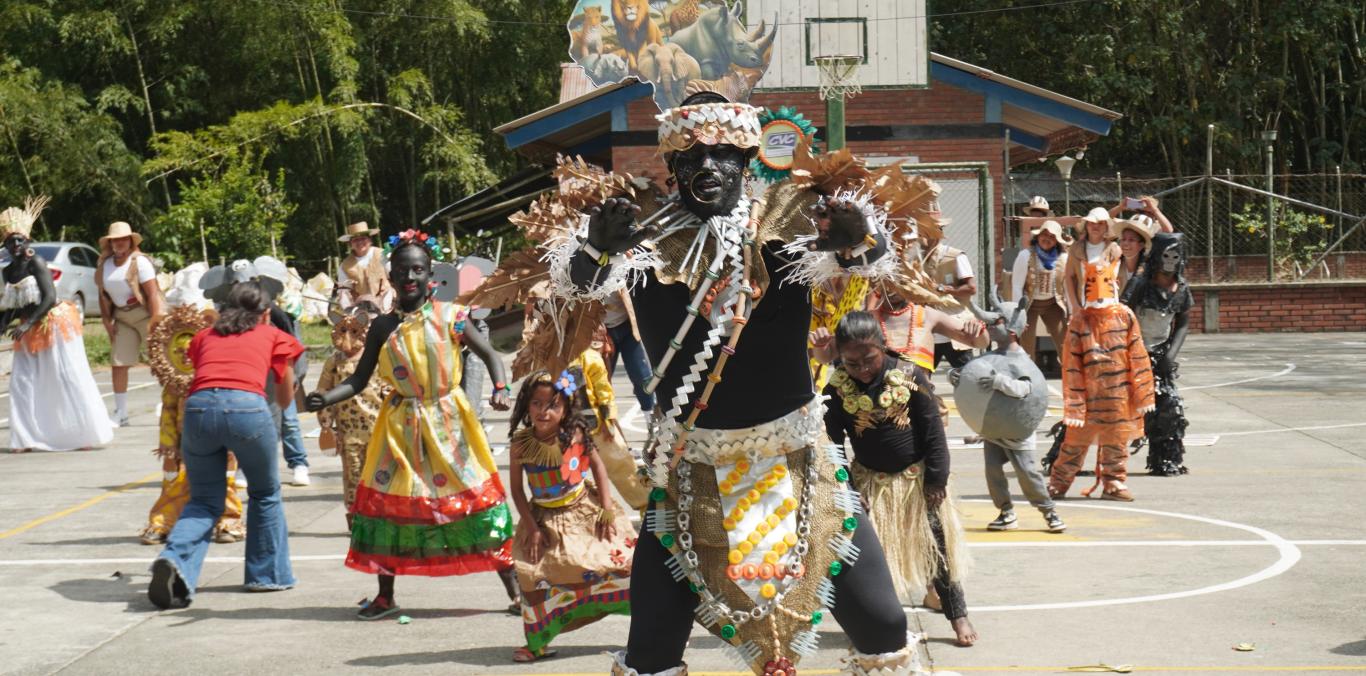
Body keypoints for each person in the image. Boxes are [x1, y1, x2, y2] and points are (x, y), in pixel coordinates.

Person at [479, 90, 932, 675]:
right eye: (691, 158)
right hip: (690, 477)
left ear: (746, 160)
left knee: (883, 624)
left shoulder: (790, 224)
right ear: (671, 166)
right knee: (650, 651)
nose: (707, 167)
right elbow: (573, 291)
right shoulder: (640, 236)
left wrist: (858, 239)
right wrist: (593, 249)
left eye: (722, 155)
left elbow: (869, 263)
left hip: (800, 468)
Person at [305, 230, 519, 621]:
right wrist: (326, 397)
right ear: (390, 276)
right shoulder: (383, 327)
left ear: (430, 274)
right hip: (399, 428)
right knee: (388, 509)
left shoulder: (452, 317)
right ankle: (385, 597)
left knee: (477, 501)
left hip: (450, 425)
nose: (410, 277)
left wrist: (501, 388)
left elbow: (491, 354)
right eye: (403, 270)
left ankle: (516, 590)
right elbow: (359, 379)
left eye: (418, 270)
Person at [822, 312, 976, 648]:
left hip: (918, 483)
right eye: (851, 363)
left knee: (938, 551)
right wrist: (848, 490)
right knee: (869, 559)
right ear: (840, 357)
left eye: (869, 359)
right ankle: (878, 625)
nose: (862, 369)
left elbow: (933, 432)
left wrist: (936, 480)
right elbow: (831, 445)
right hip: (870, 486)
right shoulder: (836, 389)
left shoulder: (910, 376)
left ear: (883, 347)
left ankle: (958, 615)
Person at [148, 281, 302, 609]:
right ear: (265, 314)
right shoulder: (275, 335)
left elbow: (204, 371)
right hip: (248, 409)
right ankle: (267, 575)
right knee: (265, 493)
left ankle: (174, 557)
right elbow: (285, 398)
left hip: (198, 410)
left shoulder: (204, 336)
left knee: (204, 500)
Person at [507, 369, 635, 662]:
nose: (544, 411)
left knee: (622, 565)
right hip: (544, 520)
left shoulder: (576, 434)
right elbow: (516, 490)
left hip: (583, 511)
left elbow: (598, 467)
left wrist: (606, 508)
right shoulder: (520, 444)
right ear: (526, 405)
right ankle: (537, 642)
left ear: (566, 408)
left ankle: (649, 631)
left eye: (553, 405)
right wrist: (532, 528)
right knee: (533, 578)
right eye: (537, 404)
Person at [1050, 208, 1155, 502]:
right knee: (1075, 440)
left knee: (1117, 438)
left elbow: (1138, 357)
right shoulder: (1080, 322)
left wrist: (1144, 394)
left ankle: (1113, 482)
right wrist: (1074, 404)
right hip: (1088, 394)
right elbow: (1071, 367)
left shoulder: (1125, 316)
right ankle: (1059, 482)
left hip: (1118, 393)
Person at [1, 197, 113, 452]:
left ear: (27, 241)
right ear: (5, 245)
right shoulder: (7, 272)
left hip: (52, 324)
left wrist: (27, 324)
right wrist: (6, 322)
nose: (15, 245)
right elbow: (16, 303)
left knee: (65, 376)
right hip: (28, 328)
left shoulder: (36, 263)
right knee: (22, 382)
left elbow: (49, 297)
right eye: (10, 241)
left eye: (19, 240)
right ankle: (24, 439)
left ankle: (83, 435)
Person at [946, 295, 1065, 534]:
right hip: (993, 430)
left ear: (1012, 330)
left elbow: (1026, 389)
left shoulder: (1022, 361)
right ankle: (1006, 511)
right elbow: (974, 377)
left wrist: (999, 382)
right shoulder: (989, 357)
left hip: (1016, 432)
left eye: (996, 322)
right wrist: (956, 377)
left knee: (1028, 474)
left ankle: (1049, 511)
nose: (990, 327)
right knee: (993, 472)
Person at [140, 304, 244, 545]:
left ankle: (228, 521)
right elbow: (168, 415)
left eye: (191, 349)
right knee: (174, 482)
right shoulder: (174, 385)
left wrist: (231, 446)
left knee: (225, 482)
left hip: (218, 443)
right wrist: (168, 448)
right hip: (184, 447)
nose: (185, 355)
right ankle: (163, 523)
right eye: (179, 350)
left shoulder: (219, 377)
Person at [314, 303, 391, 528]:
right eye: (343, 330)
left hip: (378, 428)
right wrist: (326, 423)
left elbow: (390, 387)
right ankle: (356, 515)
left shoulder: (378, 359)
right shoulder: (335, 362)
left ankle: (380, 514)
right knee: (353, 474)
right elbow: (323, 392)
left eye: (355, 330)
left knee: (380, 474)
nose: (348, 337)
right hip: (348, 432)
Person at [1122, 232, 1193, 477]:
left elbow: (1183, 322)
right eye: (1166, 256)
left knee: (1169, 407)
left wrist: (1170, 355)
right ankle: (1067, 456)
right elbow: (1121, 316)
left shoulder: (1181, 289)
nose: (1170, 262)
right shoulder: (1140, 284)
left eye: (1175, 256)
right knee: (1105, 407)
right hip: (1130, 354)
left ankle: (1165, 460)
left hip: (1160, 354)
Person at [96, 221, 165, 428]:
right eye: (115, 240)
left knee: (160, 360)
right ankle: (121, 413)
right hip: (122, 317)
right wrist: (106, 320)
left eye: (123, 239)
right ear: (110, 243)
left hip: (144, 314)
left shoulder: (140, 262)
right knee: (118, 363)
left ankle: (168, 403)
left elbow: (152, 294)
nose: (120, 243)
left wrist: (155, 321)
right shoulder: (104, 264)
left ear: (130, 241)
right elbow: (102, 294)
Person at [572, 334, 650, 510]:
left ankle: (646, 505)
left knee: (622, 468)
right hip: (566, 432)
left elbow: (605, 393)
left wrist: (608, 423)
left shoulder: (590, 358)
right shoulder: (551, 359)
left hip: (597, 427)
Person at [920, 221, 979, 370]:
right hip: (928, 330)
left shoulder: (954, 256)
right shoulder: (917, 259)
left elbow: (971, 288)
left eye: (925, 232)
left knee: (966, 374)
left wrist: (943, 289)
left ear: (938, 233)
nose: (921, 237)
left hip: (953, 328)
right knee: (919, 377)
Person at [1009, 220, 1070, 363]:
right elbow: (1017, 286)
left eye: (1052, 237)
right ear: (1038, 236)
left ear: (1057, 241)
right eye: (1044, 234)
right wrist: (1018, 313)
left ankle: (1069, 373)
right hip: (1029, 305)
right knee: (1026, 346)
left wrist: (1071, 312)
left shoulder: (1063, 258)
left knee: (1065, 344)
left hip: (1053, 304)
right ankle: (1027, 374)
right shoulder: (1025, 255)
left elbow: (1067, 287)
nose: (1047, 239)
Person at [602, 290, 655, 416]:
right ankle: (602, 420)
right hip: (601, 331)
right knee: (601, 379)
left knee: (642, 376)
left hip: (628, 327)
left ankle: (650, 416)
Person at [335, 221, 394, 313]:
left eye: (363, 238)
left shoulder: (383, 255)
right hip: (360, 310)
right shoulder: (345, 266)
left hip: (387, 306)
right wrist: (348, 310)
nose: (360, 242)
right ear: (350, 243)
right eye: (355, 240)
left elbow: (394, 277)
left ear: (370, 240)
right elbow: (344, 291)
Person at [1114, 215, 1156, 291]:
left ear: (1141, 245)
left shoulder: (1149, 271)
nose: (1125, 243)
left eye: (1131, 240)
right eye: (1123, 239)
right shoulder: (1114, 266)